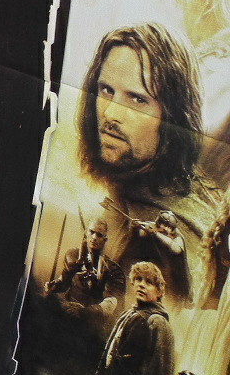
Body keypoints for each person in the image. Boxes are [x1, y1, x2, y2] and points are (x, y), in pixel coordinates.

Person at [75, 25, 223, 313]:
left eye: (137, 99)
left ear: (174, 116)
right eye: (106, 90)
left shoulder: (181, 228)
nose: (111, 114)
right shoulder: (113, 191)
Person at [93, 261, 177, 375]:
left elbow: (153, 372)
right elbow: (111, 351)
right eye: (138, 279)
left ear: (159, 291)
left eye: (149, 282)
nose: (141, 285)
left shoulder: (157, 322)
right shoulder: (130, 314)